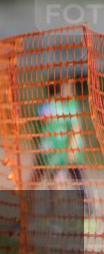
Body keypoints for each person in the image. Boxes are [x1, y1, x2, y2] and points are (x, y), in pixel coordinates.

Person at [31, 79, 93, 217]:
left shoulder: (68, 105)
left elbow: (75, 129)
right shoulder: (53, 105)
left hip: (67, 151)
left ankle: (87, 207)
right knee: (49, 180)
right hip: (54, 152)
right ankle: (47, 210)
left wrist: (73, 147)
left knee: (77, 178)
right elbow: (43, 126)